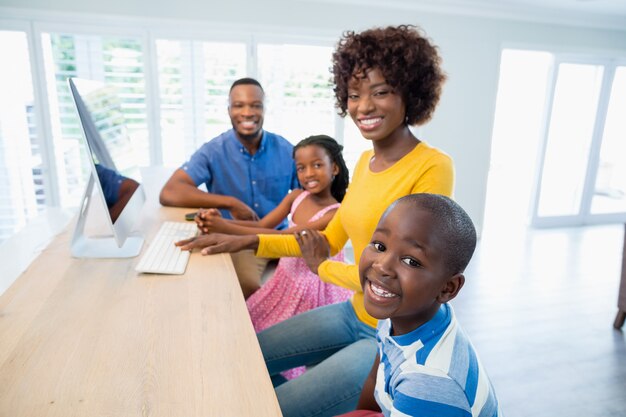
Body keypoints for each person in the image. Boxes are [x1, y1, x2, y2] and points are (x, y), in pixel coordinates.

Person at [177, 25, 453, 416]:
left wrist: (321, 268)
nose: (364, 107)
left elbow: (402, 276)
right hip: (351, 311)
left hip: (388, 337)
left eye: (381, 91)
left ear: (411, 92)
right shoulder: (365, 162)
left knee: (273, 406)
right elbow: (322, 242)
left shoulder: (432, 167)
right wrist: (246, 242)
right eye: (355, 95)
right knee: (242, 355)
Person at [336, 193, 501, 417]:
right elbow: (376, 379)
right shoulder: (400, 312)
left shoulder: (427, 382)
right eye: (379, 245)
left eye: (411, 261)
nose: (382, 265)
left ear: (448, 288)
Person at [196, 135, 353, 341]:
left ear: (334, 168)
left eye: (317, 165)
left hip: (308, 286)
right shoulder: (296, 196)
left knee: (277, 337)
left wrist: (224, 227)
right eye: (301, 168)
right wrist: (217, 223)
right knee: (247, 321)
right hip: (286, 275)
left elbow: (281, 237)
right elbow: (262, 226)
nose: (308, 174)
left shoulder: (333, 214)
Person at [159, 77, 300, 298]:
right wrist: (229, 202)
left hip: (280, 235)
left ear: (264, 109)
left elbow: (311, 194)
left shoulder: (286, 149)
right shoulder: (213, 150)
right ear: (228, 110)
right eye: (239, 105)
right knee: (245, 287)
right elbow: (170, 191)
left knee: (311, 286)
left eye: (255, 105)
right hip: (237, 238)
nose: (247, 112)